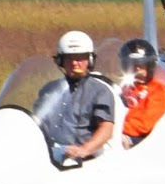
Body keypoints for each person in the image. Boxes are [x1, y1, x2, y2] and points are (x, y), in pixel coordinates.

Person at [37, 30, 116, 164]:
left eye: (80, 58)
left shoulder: (100, 91)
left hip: (84, 159)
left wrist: (83, 150)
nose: (74, 63)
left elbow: (106, 129)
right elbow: (37, 123)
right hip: (49, 154)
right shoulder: (49, 90)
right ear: (61, 61)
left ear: (90, 61)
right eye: (69, 58)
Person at [117, 38, 165, 146]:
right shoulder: (123, 87)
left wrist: (114, 129)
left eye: (141, 66)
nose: (137, 70)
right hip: (116, 130)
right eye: (132, 65)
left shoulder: (158, 91)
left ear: (149, 66)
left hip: (138, 138)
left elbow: (144, 124)